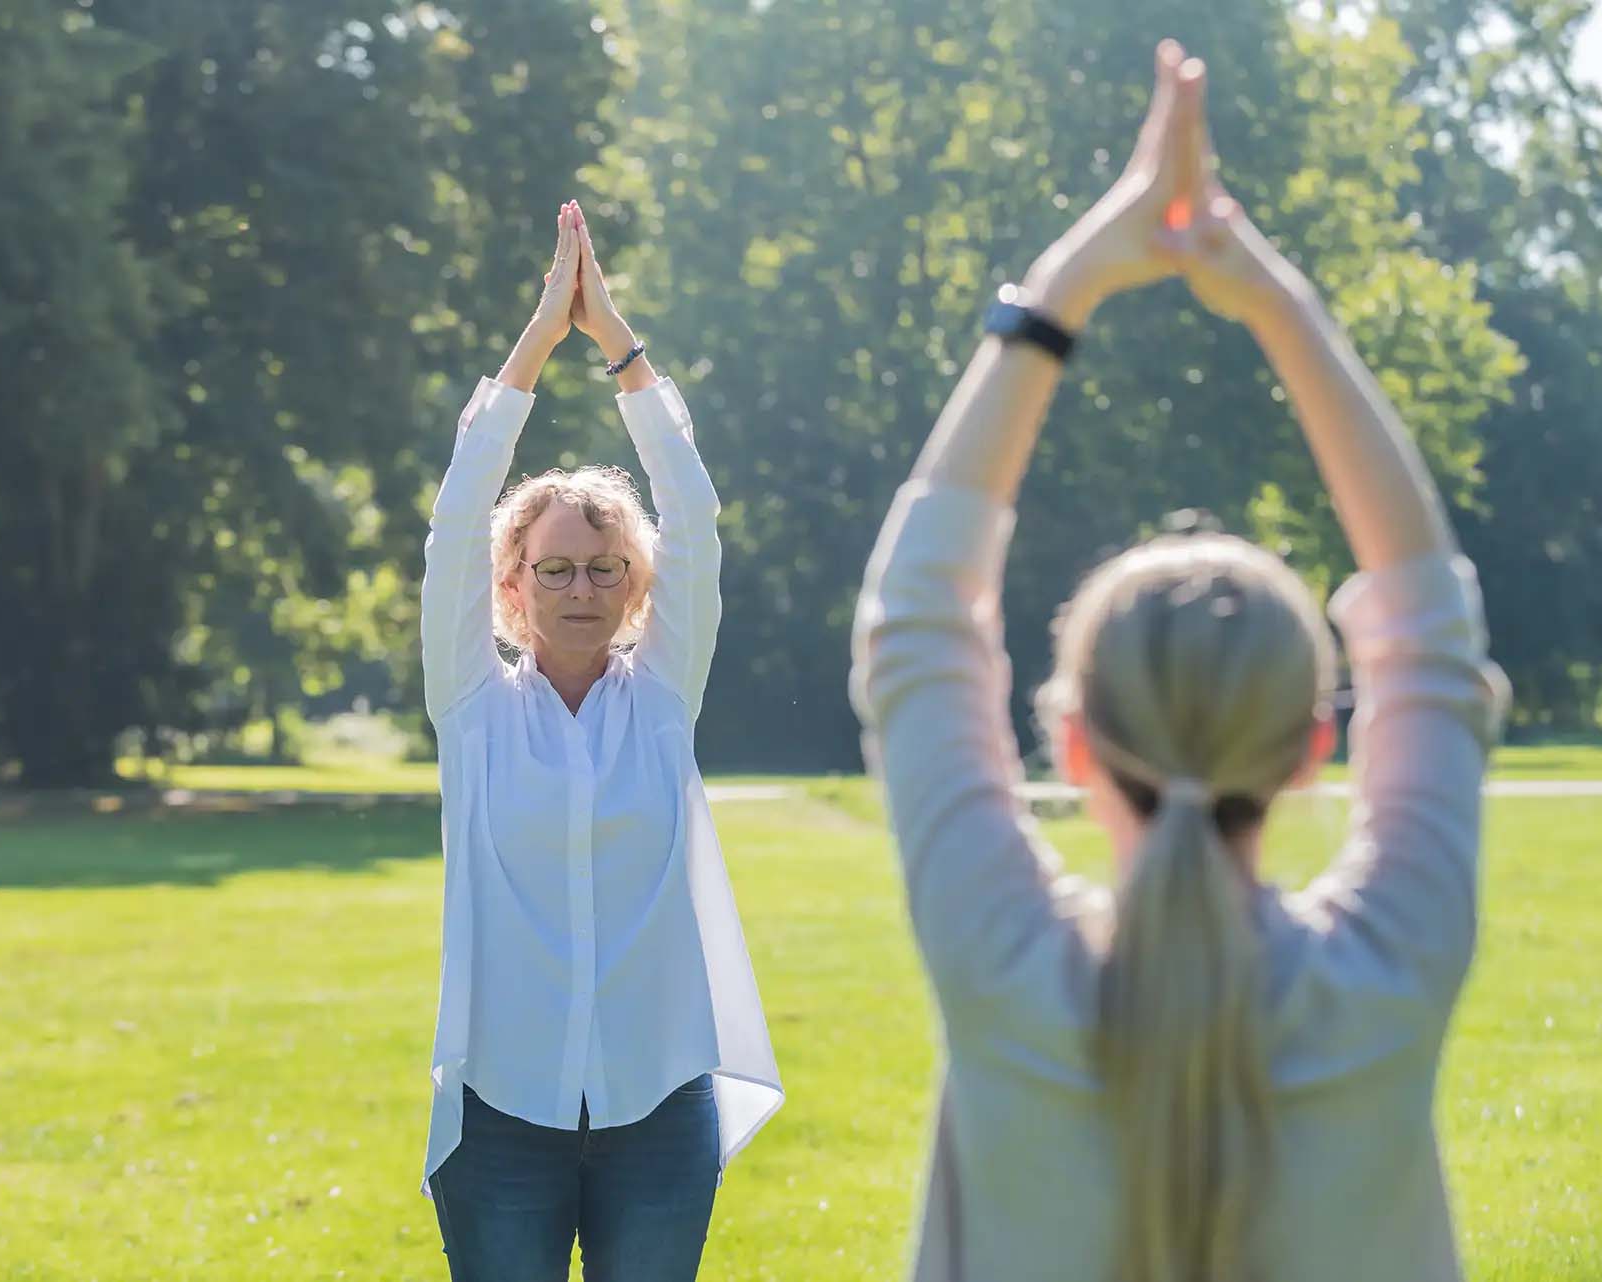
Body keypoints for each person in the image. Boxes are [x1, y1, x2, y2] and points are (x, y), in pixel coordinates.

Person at [850, 41, 1509, 1282]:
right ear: (1317, 742)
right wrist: (1275, 302)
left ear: (1074, 739)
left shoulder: (1004, 969)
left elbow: (915, 613)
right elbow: (1430, 622)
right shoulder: (1390, 971)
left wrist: (1071, 279)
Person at [419, 199, 782, 1282]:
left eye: (604, 566)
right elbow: (452, 519)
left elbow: (697, 518)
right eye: (556, 567)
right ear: (514, 584)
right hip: (502, 1118)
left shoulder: (663, 697)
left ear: (635, 584)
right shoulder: (473, 709)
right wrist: (539, 337)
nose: (581, 587)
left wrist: (618, 341)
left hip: (658, 1113)